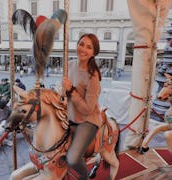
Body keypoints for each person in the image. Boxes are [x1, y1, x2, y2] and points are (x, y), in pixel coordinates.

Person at [62, 33, 102, 179]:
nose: (83, 49)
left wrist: (72, 90)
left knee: (72, 158)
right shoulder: (70, 64)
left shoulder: (93, 76)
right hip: (70, 115)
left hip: (87, 120)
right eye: (81, 44)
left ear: (93, 53)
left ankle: (84, 177)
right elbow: (63, 91)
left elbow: (88, 109)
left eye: (89, 47)